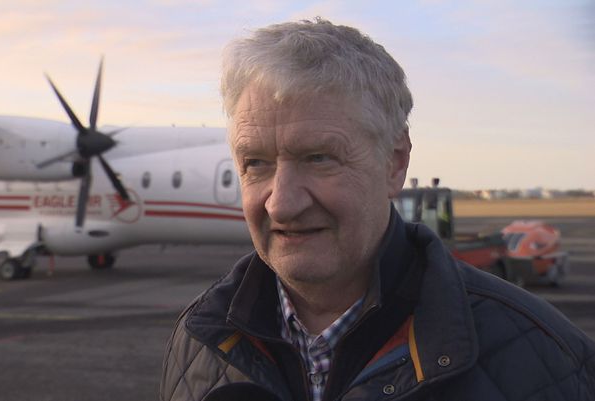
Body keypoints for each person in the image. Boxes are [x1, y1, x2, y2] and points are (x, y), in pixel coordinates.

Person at [160, 18, 595, 401]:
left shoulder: (545, 358)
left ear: (395, 162)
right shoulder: (198, 339)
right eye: (256, 163)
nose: (283, 202)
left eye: (318, 158)